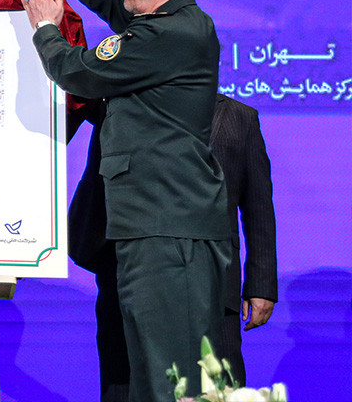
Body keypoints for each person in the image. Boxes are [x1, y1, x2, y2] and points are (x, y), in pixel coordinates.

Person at [0, 0, 230, 402]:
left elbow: (78, 72)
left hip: (168, 231)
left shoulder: (171, 34)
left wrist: (45, 28)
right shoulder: (167, 23)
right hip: (149, 226)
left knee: (173, 380)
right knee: (148, 374)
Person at [74, 94, 277, 400]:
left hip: (214, 284)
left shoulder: (240, 118)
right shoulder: (119, 106)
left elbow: (258, 206)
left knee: (217, 385)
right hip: (129, 279)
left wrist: (261, 285)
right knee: (124, 384)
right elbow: (97, 185)